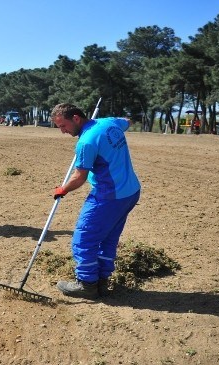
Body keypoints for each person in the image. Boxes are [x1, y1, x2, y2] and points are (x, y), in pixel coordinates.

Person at [50, 103, 141, 299]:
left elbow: (79, 177)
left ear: (76, 118)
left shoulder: (86, 142)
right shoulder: (108, 122)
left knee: (84, 239)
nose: (63, 132)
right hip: (131, 191)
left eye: (63, 126)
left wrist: (62, 189)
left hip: (109, 195)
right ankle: (102, 279)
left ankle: (87, 284)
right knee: (108, 238)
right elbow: (127, 121)